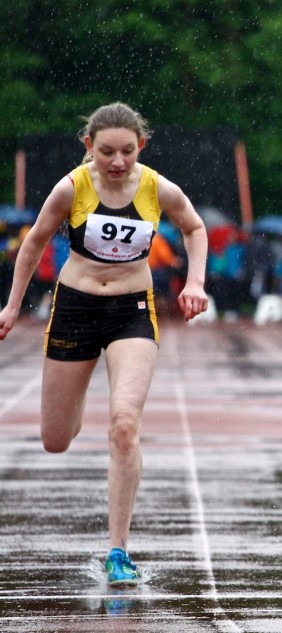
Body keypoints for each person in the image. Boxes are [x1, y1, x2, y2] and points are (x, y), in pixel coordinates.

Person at [0, 102, 208, 586]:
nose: (117, 162)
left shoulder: (158, 188)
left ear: (142, 146)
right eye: (107, 151)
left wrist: (195, 281)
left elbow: (194, 227)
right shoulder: (71, 188)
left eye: (128, 152)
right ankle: (78, 404)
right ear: (88, 146)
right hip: (74, 308)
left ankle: (118, 550)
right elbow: (33, 243)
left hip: (131, 311)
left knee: (124, 426)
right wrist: (11, 306)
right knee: (55, 439)